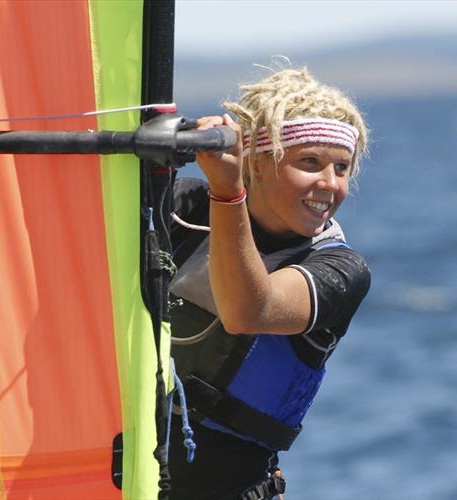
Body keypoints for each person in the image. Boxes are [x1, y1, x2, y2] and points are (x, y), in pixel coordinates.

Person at [165, 67, 370, 499]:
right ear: (256, 162)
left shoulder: (339, 270)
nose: (329, 185)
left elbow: (248, 312)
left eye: (341, 168)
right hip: (113, 477)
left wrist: (227, 192)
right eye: (310, 163)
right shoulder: (180, 208)